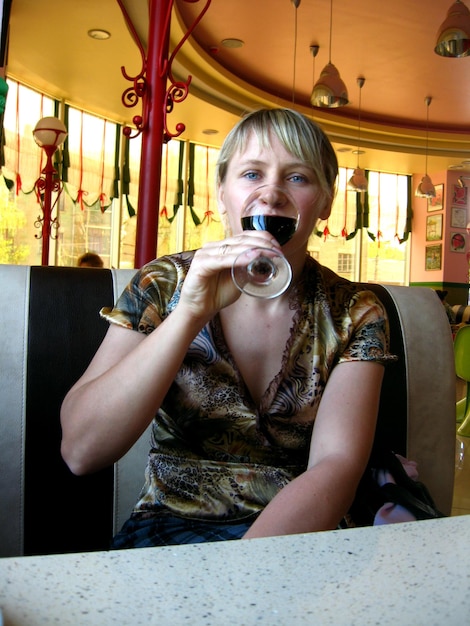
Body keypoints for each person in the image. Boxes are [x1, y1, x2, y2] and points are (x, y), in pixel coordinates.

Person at [60, 108, 395, 548]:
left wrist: (241, 574)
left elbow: (336, 465)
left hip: (301, 536)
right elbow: (82, 452)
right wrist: (190, 314)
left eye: (297, 178)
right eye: (252, 173)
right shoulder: (162, 285)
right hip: (169, 527)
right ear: (222, 195)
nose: (271, 193)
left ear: (327, 202)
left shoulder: (356, 311)